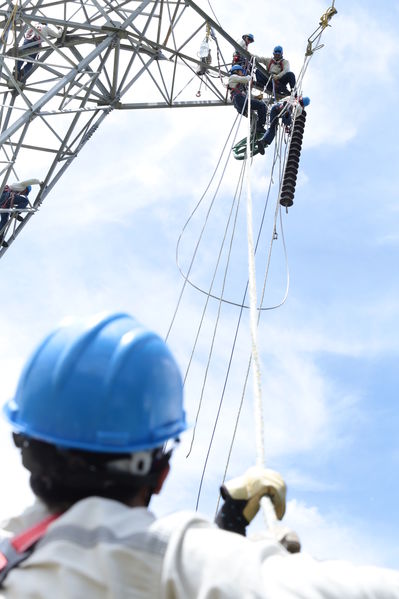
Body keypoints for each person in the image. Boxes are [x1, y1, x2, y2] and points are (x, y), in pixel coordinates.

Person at [1, 312, 399, 598]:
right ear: (160, 470)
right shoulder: (168, 555)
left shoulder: (12, 551)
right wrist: (249, 553)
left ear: (26, 443)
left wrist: (229, 528)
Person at [0, 178, 41, 247]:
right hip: (5, 195)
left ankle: (0, 238)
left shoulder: (16, 191)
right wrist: (40, 182)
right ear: (26, 188)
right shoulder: (21, 185)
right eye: (26, 192)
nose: (24, 194)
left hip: (4, 202)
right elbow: (32, 180)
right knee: (25, 201)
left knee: (4, 220)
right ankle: (15, 212)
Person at [228, 64, 266, 135]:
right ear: (237, 71)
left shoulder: (238, 85)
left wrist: (256, 97)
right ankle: (260, 127)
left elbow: (247, 95)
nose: (242, 73)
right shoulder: (233, 77)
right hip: (239, 100)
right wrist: (249, 75)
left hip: (238, 102)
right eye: (241, 71)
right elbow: (247, 79)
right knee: (261, 106)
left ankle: (253, 132)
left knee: (254, 117)